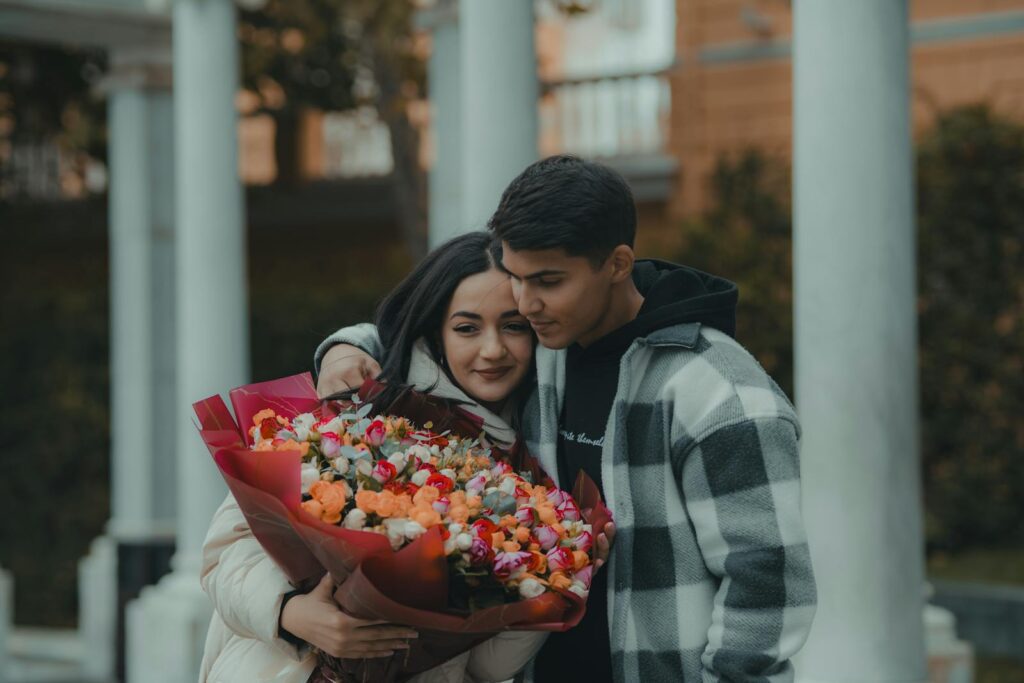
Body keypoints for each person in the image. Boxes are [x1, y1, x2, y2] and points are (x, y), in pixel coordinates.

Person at [315, 155, 817, 682]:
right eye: (516, 277)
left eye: (548, 281)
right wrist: (346, 348)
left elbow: (767, 584)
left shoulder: (718, 392)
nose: (527, 303)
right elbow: (428, 339)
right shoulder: (544, 352)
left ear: (618, 264)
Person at [201, 231, 594, 683]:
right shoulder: (360, 406)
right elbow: (225, 552)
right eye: (467, 327)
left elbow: (493, 666)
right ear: (435, 331)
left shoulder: (528, 469)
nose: (493, 349)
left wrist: (564, 572)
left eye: (513, 326)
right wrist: (293, 614)